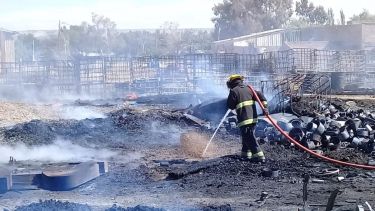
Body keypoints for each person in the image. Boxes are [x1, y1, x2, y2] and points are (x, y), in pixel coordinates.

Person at [226, 74, 269, 163]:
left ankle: (259, 156)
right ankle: (245, 155)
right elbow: (261, 96)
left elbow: (230, 106)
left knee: (249, 138)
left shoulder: (234, 91)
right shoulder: (249, 89)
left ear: (232, 82)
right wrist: (265, 107)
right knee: (247, 137)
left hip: (244, 119)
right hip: (253, 118)